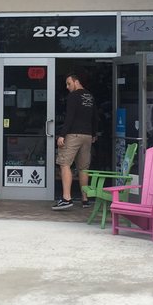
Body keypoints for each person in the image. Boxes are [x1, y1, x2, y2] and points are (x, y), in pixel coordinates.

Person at [52, 73, 98, 210]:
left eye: (69, 83)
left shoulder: (73, 96)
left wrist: (62, 135)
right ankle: (85, 199)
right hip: (87, 136)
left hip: (73, 135)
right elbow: (95, 116)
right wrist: (94, 133)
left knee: (64, 163)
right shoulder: (90, 96)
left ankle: (67, 198)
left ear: (76, 82)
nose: (67, 87)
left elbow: (70, 117)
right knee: (83, 168)